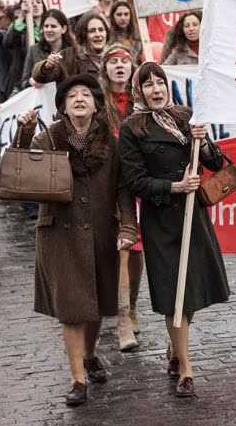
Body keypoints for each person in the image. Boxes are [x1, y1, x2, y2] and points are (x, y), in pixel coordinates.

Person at [15, 75, 137, 407]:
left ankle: (91, 353)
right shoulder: (49, 138)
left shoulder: (112, 143)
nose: (79, 98)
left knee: (96, 303)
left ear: (97, 105)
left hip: (100, 231)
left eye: (86, 94)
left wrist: (128, 227)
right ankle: (77, 379)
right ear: (63, 107)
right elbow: (21, 167)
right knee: (71, 308)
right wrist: (24, 130)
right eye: (72, 96)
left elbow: (124, 189)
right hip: (59, 233)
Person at [118, 62, 230, 398]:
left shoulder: (185, 116)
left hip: (193, 219)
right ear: (140, 91)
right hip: (161, 222)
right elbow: (135, 181)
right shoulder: (131, 128)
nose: (156, 89)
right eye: (148, 84)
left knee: (190, 292)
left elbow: (215, 162)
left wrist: (204, 141)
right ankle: (186, 369)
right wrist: (174, 187)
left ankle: (175, 347)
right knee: (173, 298)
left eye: (160, 83)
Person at [99, 44, 144, 351]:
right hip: (111, 185)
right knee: (122, 249)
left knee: (138, 251)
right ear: (105, 69)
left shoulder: (142, 102)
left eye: (124, 62)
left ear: (132, 69)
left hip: (139, 183)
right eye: (113, 62)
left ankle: (133, 305)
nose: (118, 66)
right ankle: (122, 316)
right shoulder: (98, 102)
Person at [32, 11, 108, 85]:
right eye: (92, 31)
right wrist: (47, 66)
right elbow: (40, 77)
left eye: (101, 30)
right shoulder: (68, 57)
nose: (98, 34)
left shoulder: (112, 56)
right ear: (83, 34)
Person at [20, 8, 76, 90]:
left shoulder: (74, 52)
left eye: (53, 26)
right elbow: (22, 83)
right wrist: (31, 81)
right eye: (46, 26)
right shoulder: (34, 50)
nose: (49, 30)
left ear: (64, 29)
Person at [2, 0, 45, 94]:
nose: (35, 5)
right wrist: (22, 15)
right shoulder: (20, 25)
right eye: (31, 3)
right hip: (23, 78)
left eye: (38, 2)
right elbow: (7, 42)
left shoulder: (50, 26)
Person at [108, 1, 143, 65]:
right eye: (119, 14)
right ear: (113, 16)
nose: (123, 18)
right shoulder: (108, 38)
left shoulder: (138, 38)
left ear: (130, 16)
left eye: (126, 14)